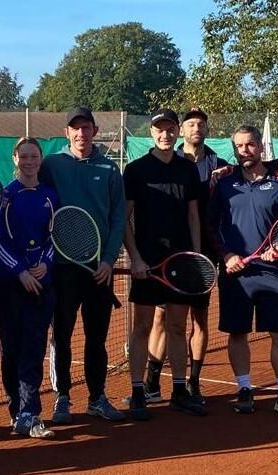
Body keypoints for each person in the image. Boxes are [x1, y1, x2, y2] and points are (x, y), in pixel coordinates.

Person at [207, 125, 278, 419]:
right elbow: (211, 225)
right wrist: (227, 255)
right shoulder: (224, 183)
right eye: (239, 146)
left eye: (250, 144)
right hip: (235, 273)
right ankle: (244, 389)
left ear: (260, 146)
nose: (244, 151)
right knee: (237, 333)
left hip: (270, 272)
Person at [40, 107, 127, 424]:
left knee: (97, 338)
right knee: (61, 335)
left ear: (94, 130)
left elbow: (118, 218)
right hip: (62, 268)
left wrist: (108, 260)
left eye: (86, 127)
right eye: (75, 128)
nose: (81, 133)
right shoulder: (52, 165)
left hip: (98, 269)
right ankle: (62, 397)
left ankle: (96, 398)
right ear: (67, 133)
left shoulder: (109, 168)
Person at [122, 109, 206, 419]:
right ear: (152, 132)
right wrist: (135, 257)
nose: (165, 134)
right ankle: (138, 392)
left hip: (181, 263)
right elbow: (125, 219)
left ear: (177, 132)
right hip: (147, 262)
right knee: (142, 327)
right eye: (160, 129)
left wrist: (196, 257)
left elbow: (193, 216)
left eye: (170, 129)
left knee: (177, 326)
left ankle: (179, 391)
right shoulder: (135, 170)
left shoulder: (188, 170)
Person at [143, 108, 227, 404]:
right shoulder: (171, 160)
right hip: (170, 254)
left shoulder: (221, 166)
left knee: (199, 319)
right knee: (161, 317)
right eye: (191, 124)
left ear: (206, 129)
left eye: (200, 124)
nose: (196, 129)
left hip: (204, 253)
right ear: (183, 130)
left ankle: (193, 383)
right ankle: (152, 384)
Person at [0, 137, 58, 438]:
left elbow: (57, 234)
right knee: (10, 350)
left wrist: (45, 263)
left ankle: (31, 413)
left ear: (41, 160)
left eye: (34, 156)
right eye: (24, 156)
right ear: (15, 159)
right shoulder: (4, 196)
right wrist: (20, 272)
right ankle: (16, 409)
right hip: (7, 285)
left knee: (33, 347)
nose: (29, 162)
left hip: (41, 284)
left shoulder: (50, 196)